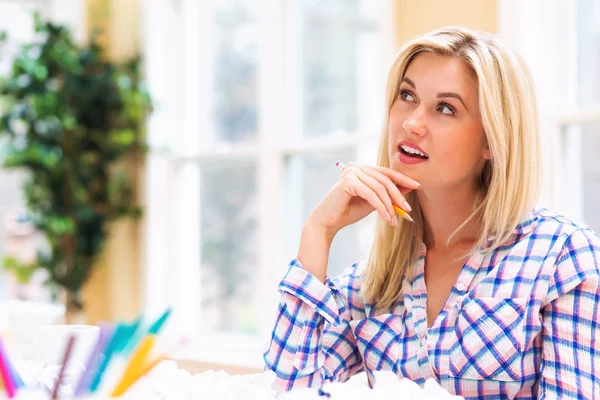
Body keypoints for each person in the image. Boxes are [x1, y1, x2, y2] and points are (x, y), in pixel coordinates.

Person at [263, 26, 600, 399]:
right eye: (406, 96)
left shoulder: (560, 256)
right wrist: (318, 231)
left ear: (491, 139)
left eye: (445, 108)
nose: (411, 123)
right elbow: (287, 392)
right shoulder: (370, 283)